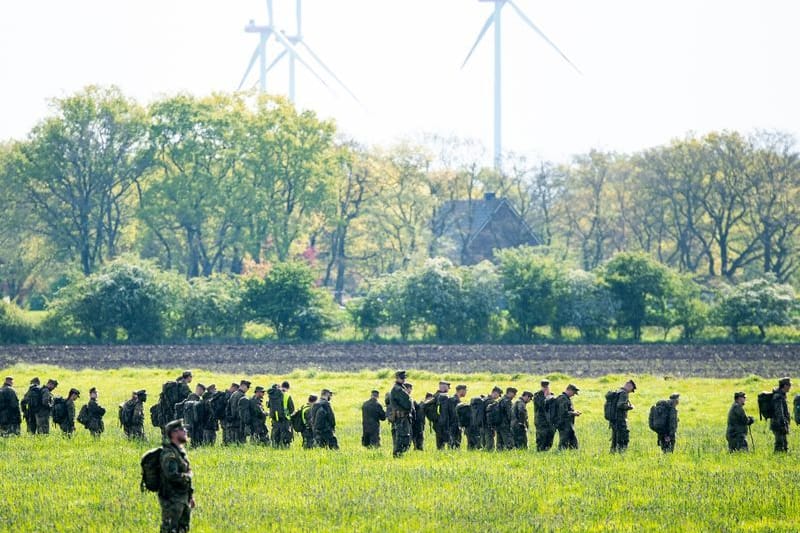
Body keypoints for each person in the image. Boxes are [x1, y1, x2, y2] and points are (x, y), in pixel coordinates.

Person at [159, 419, 195, 533]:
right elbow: (172, 476)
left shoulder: (179, 452)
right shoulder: (169, 454)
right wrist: (188, 476)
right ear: (174, 433)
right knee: (170, 529)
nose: (185, 431)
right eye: (182, 429)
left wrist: (190, 496)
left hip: (182, 499)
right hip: (172, 500)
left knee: (183, 529)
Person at [389, 371, 413, 457]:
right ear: (397, 378)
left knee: (404, 437)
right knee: (402, 438)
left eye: (404, 378)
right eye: (402, 378)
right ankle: (397, 455)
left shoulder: (400, 388)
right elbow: (407, 404)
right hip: (401, 417)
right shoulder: (398, 390)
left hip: (403, 417)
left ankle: (399, 455)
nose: (403, 380)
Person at [610, 380, 636, 453]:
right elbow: (620, 405)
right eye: (632, 389)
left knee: (614, 440)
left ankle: (612, 455)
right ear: (629, 385)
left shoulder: (618, 391)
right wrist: (630, 407)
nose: (631, 391)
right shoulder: (624, 393)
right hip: (620, 420)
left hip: (614, 420)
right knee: (623, 439)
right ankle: (622, 455)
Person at [555, 384, 581, 450]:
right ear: (569, 390)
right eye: (573, 392)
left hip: (568, 424)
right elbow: (563, 413)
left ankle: (573, 455)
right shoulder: (563, 399)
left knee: (574, 443)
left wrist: (574, 411)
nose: (574, 395)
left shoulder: (566, 398)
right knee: (563, 443)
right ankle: (560, 455)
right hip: (563, 425)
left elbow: (567, 410)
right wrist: (574, 413)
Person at [268, 382, 294, 448]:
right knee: (285, 436)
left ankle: (275, 447)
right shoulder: (287, 395)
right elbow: (292, 409)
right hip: (285, 419)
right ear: (288, 388)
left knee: (276, 435)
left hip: (275, 419)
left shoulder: (272, 395)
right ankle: (285, 448)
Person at [532, 380, 555, 451]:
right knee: (541, 437)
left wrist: (550, 397)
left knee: (550, 436)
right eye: (544, 386)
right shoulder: (537, 395)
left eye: (547, 386)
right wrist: (546, 397)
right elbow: (540, 405)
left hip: (550, 420)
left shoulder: (551, 394)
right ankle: (540, 450)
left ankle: (547, 450)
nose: (546, 388)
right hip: (541, 420)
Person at [771, 377, 792, 452]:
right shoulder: (778, 397)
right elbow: (779, 412)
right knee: (780, 444)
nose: (790, 387)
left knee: (784, 444)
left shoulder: (782, 395)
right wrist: (783, 424)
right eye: (789, 385)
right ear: (785, 386)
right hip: (778, 424)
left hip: (780, 423)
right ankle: (776, 459)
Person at [226, 380, 249, 445]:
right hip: (239, 425)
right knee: (240, 443)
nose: (247, 389)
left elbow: (228, 409)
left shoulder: (233, 394)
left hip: (232, 424)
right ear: (243, 386)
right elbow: (243, 413)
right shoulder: (242, 396)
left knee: (232, 443)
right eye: (247, 387)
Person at [432, 381, 452, 450]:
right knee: (447, 441)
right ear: (443, 387)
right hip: (443, 422)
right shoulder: (442, 397)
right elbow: (444, 411)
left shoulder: (435, 396)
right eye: (447, 387)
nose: (448, 389)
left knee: (440, 442)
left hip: (438, 422)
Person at [483, 386, 502, 451]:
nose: (498, 397)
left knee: (483, 442)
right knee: (490, 444)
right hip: (488, 425)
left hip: (482, 424)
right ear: (494, 393)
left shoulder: (484, 399)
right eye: (498, 395)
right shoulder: (490, 402)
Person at [449, 384, 468, 449]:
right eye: (465, 390)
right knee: (455, 442)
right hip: (454, 425)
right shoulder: (455, 401)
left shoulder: (454, 399)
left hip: (453, 424)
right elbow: (455, 414)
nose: (466, 392)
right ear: (461, 391)